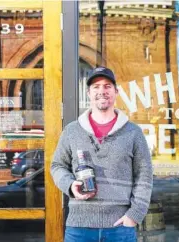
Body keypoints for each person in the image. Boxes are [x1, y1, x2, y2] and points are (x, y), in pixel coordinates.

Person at [51, 66, 153, 242]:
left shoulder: (133, 133)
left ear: (116, 91)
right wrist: (70, 185)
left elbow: (144, 175)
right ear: (89, 93)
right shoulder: (72, 131)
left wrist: (135, 215)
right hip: (79, 228)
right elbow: (57, 166)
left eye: (107, 86)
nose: (102, 91)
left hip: (120, 227)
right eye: (96, 87)